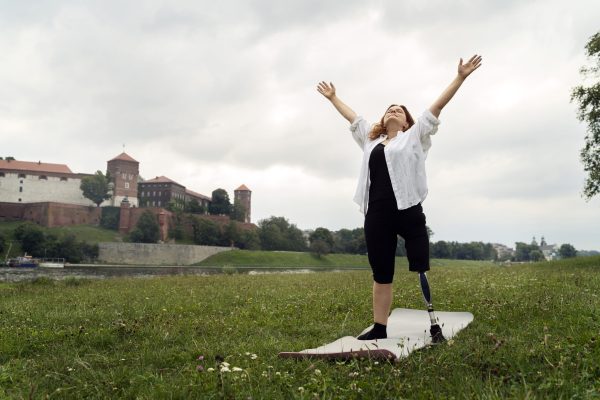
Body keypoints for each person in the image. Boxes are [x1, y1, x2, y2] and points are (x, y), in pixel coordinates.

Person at [317, 54, 482, 341]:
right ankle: (379, 327)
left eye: (399, 110)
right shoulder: (370, 142)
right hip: (377, 213)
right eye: (389, 109)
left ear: (406, 122)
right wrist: (333, 98)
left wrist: (460, 77)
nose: (393, 111)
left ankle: (433, 319)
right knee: (381, 272)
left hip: (408, 210)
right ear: (384, 120)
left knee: (420, 265)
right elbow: (353, 118)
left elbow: (437, 107)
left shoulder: (415, 136)